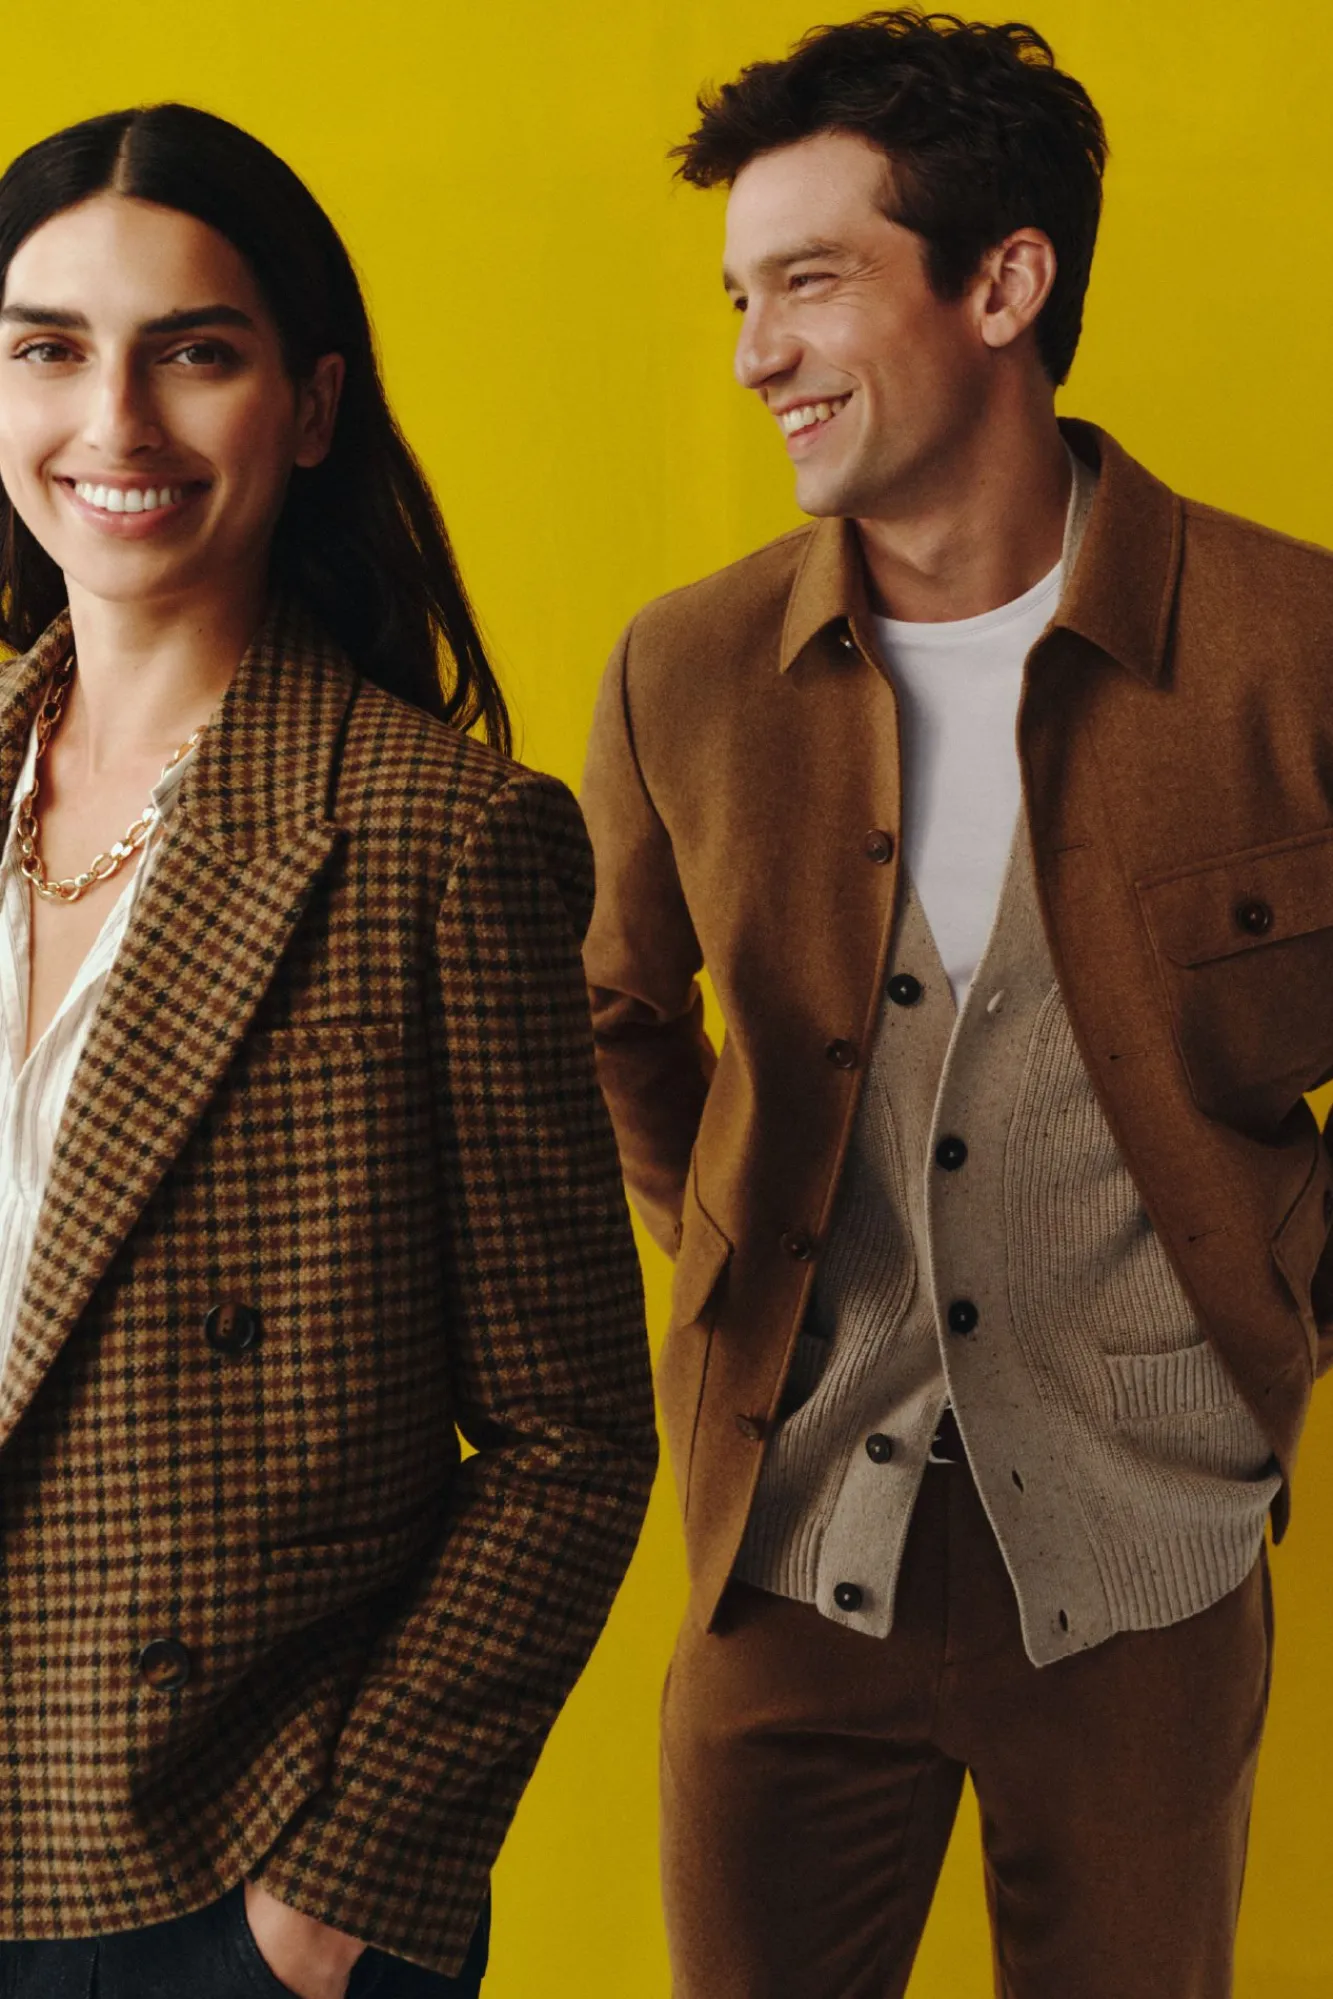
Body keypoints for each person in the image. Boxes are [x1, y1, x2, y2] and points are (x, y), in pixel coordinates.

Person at [580, 13, 1333, 1997]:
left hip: (1151, 1562)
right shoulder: (685, 671)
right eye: (741, 296)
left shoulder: (1299, 650)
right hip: (785, 1551)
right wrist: (725, 1241)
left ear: (1005, 284)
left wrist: (1284, 1293)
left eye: (810, 282)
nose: (753, 353)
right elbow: (611, 1013)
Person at [0, 102, 656, 1999]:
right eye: (48, 349)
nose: (113, 421)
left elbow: (570, 1437)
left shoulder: (441, 840)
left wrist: (334, 1889)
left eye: (192, 352)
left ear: (309, 404)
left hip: (208, 1882)